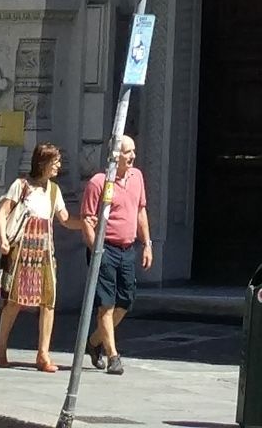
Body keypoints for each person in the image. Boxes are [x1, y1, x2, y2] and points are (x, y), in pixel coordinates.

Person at [0, 144, 68, 371]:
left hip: (45, 251)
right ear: (43, 163)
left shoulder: (54, 191)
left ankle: (43, 354)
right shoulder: (21, 185)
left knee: (48, 301)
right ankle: (0, 347)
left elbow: (64, 219)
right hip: (22, 248)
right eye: (55, 162)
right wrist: (2, 239)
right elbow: (3, 212)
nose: (59, 166)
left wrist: (86, 223)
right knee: (14, 301)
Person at [84, 133, 152, 375]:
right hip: (106, 249)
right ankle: (113, 355)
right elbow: (87, 220)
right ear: (115, 155)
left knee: (125, 302)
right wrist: (96, 250)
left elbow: (141, 211)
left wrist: (147, 243)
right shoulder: (98, 182)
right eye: (127, 152)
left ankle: (94, 342)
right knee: (106, 304)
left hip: (127, 249)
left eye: (133, 151)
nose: (132, 156)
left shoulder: (137, 177)